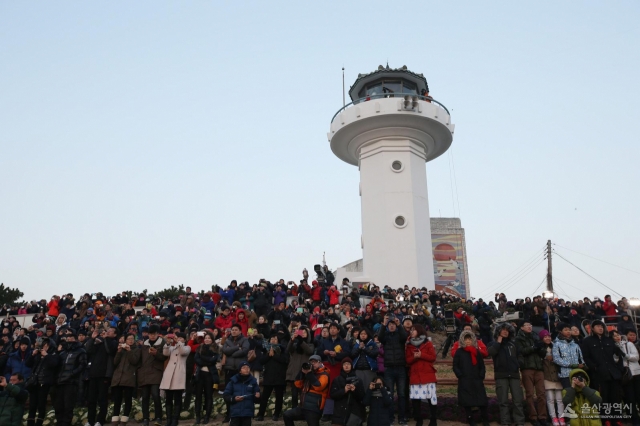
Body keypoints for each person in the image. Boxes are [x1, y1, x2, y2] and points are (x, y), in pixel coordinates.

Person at [581, 318, 626, 422]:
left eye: (602, 326)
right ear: (592, 328)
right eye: (598, 326)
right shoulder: (587, 341)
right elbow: (586, 357)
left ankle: (617, 420)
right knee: (603, 399)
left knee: (615, 398)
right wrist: (594, 367)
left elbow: (619, 354)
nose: (600, 328)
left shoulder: (608, 340)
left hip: (613, 374)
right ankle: (606, 421)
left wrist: (619, 369)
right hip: (599, 375)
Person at [488, 322, 525, 426]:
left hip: (514, 375)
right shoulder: (493, 344)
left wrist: (518, 363)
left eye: (507, 330)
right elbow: (490, 352)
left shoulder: (513, 344)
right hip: (501, 375)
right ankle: (505, 423)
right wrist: (498, 342)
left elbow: (520, 355)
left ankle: (520, 422)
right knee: (503, 401)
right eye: (503, 329)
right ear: (498, 331)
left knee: (518, 400)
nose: (505, 331)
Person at [452, 330, 489, 426]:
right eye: (466, 339)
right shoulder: (459, 352)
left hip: (477, 379)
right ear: (462, 340)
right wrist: (460, 375)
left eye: (469, 339)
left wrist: (481, 375)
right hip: (465, 380)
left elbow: (482, 365)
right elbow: (455, 365)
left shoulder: (477, 351)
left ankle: (485, 420)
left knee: (482, 401)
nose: (468, 341)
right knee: (467, 401)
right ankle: (471, 421)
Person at [515, 320, 548, 426]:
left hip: (539, 368)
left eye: (530, 325)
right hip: (527, 368)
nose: (529, 327)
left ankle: (542, 417)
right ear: (522, 328)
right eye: (527, 325)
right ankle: (533, 417)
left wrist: (541, 347)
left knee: (541, 393)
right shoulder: (518, 339)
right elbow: (521, 352)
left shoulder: (536, 337)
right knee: (529, 393)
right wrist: (533, 348)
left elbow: (543, 354)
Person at [283, 354, 331, 426]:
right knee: (287, 415)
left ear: (320, 363)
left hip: (314, 409)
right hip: (303, 407)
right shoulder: (308, 373)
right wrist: (301, 373)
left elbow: (319, 387)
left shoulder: (324, 374)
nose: (313, 364)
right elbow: (297, 384)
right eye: (311, 362)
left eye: (315, 362)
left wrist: (309, 374)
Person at [378, 313, 408, 426]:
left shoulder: (400, 335)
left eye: (393, 324)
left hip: (400, 368)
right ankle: (390, 418)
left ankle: (402, 418)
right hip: (389, 369)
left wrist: (399, 325)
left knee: (402, 394)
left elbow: (405, 337)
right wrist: (383, 324)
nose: (391, 326)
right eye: (390, 324)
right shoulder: (385, 336)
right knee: (390, 394)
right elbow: (380, 338)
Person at [85, 326, 118, 426]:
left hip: (104, 375)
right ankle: (90, 421)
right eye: (107, 330)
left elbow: (110, 351)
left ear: (115, 334)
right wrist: (92, 338)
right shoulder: (98, 341)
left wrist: (106, 338)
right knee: (91, 399)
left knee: (102, 399)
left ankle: (100, 420)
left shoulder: (113, 342)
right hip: (93, 374)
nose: (107, 331)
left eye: (110, 331)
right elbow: (88, 350)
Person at [405, 324, 437, 426]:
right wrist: (414, 357)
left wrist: (421, 355)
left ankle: (433, 420)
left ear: (419, 331)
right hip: (415, 375)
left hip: (427, 374)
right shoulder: (409, 345)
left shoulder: (428, 343)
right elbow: (407, 360)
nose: (411, 332)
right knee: (415, 400)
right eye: (411, 330)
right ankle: (419, 420)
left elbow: (433, 357)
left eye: (413, 330)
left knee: (431, 398)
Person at [54, 331, 88, 426]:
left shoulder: (81, 351)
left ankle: (66, 423)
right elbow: (56, 365)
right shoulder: (62, 352)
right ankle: (59, 422)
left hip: (71, 382)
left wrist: (72, 374)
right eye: (67, 338)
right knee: (58, 405)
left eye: (71, 337)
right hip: (60, 381)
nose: (68, 339)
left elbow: (82, 364)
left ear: (75, 339)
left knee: (68, 406)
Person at [25, 338, 58, 426]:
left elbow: (54, 364)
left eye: (47, 346)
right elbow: (27, 364)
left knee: (41, 405)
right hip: (34, 383)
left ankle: (39, 423)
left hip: (44, 383)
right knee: (32, 406)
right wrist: (32, 355)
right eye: (44, 345)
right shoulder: (38, 355)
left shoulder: (53, 355)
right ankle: (30, 423)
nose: (45, 347)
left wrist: (46, 356)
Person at [138, 324, 167, 426]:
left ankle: (158, 417)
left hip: (156, 372)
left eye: (154, 334)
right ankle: (145, 418)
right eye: (150, 334)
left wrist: (156, 354)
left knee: (155, 395)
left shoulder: (162, 343)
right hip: (145, 373)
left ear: (157, 334)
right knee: (145, 396)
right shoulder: (144, 345)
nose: (152, 336)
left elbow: (164, 357)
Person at [160, 332, 191, 426]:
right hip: (169, 374)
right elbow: (165, 353)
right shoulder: (172, 348)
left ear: (185, 340)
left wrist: (179, 342)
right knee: (168, 398)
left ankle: (175, 419)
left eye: (182, 338)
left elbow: (182, 352)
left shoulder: (187, 347)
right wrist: (168, 343)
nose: (179, 339)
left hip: (179, 374)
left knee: (177, 398)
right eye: (178, 338)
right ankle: (169, 419)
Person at [256, 334, 289, 421]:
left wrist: (274, 355)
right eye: (272, 339)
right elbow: (261, 361)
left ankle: (276, 414)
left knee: (279, 397)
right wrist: (268, 355)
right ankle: (260, 415)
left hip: (279, 377)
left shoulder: (282, 350)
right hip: (268, 377)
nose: (273, 340)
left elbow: (285, 361)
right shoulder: (265, 350)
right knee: (264, 397)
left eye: (275, 339)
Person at [111, 333, 141, 426]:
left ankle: (124, 419)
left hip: (129, 377)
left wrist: (129, 351)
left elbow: (134, 361)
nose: (130, 340)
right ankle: (115, 418)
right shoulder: (122, 349)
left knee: (128, 399)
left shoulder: (137, 350)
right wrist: (119, 351)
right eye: (128, 339)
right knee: (117, 399)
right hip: (118, 377)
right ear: (125, 340)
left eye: (132, 338)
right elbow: (115, 362)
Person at [222, 324, 250, 423]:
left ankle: (241, 414)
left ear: (240, 331)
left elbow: (245, 351)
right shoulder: (227, 340)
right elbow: (224, 350)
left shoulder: (245, 340)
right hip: (229, 369)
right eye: (232, 330)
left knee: (240, 392)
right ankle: (229, 414)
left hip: (240, 371)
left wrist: (231, 352)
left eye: (236, 330)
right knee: (229, 393)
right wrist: (236, 348)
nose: (233, 331)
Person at [612, 330, 640, 425]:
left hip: (636, 373)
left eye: (618, 335)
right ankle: (635, 419)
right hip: (625, 375)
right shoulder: (612, 347)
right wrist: (616, 354)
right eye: (614, 336)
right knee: (629, 398)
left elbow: (636, 357)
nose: (617, 337)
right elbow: (615, 361)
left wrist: (625, 355)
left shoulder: (629, 344)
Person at [538, 330, 565, 426]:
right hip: (546, 376)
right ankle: (553, 418)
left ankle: (561, 417)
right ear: (542, 339)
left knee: (559, 399)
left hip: (557, 375)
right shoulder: (540, 349)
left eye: (549, 336)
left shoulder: (556, 347)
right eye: (545, 337)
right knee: (550, 399)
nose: (548, 338)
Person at [329, 357, 366, 426]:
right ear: (342, 366)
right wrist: (344, 390)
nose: (346, 366)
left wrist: (354, 390)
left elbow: (362, 397)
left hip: (353, 414)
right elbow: (332, 395)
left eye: (348, 364)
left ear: (351, 366)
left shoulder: (358, 380)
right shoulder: (337, 380)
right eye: (344, 364)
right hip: (339, 414)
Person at [223, 361, 260, 426]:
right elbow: (226, 395)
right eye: (244, 367)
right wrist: (234, 399)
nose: (246, 369)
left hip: (247, 414)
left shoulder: (253, 381)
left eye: (248, 367)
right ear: (240, 370)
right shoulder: (233, 381)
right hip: (235, 413)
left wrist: (258, 397)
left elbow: (257, 399)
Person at [194, 331, 220, 425]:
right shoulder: (200, 347)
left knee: (208, 396)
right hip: (200, 374)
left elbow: (214, 360)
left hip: (210, 375)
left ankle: (207, 416)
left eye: (209, 338)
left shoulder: (215, 348)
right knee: (198, 396)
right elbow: (197, 360)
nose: (207, 340)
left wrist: (203, 358)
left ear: (212, 339)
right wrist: (208, 359)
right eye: (206, 338)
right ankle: (198, 416)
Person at [286, 326, 314, 409]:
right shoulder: (295, 345)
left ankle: (304, 410)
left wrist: (301, 341)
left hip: (304, 373)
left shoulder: (310, 344)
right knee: (294, 394)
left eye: (305, 332)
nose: (303, 334)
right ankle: (294, 411)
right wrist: (292, 340)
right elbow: (288, 350)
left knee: (304, 393)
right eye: (302, 332)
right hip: (294, 373)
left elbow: (309, 351)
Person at [552, 323, 585, 389]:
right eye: (566, 330)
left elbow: (580, 358)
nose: (568, 332)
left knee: (580, 393)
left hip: (577, 372)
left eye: (569, 330)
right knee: (569, 393)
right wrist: (571, 365)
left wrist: (582, 365)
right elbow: (556, 359)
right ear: (560, 331)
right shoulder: (556, 344)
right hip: (565, 374)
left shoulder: (575, 345)